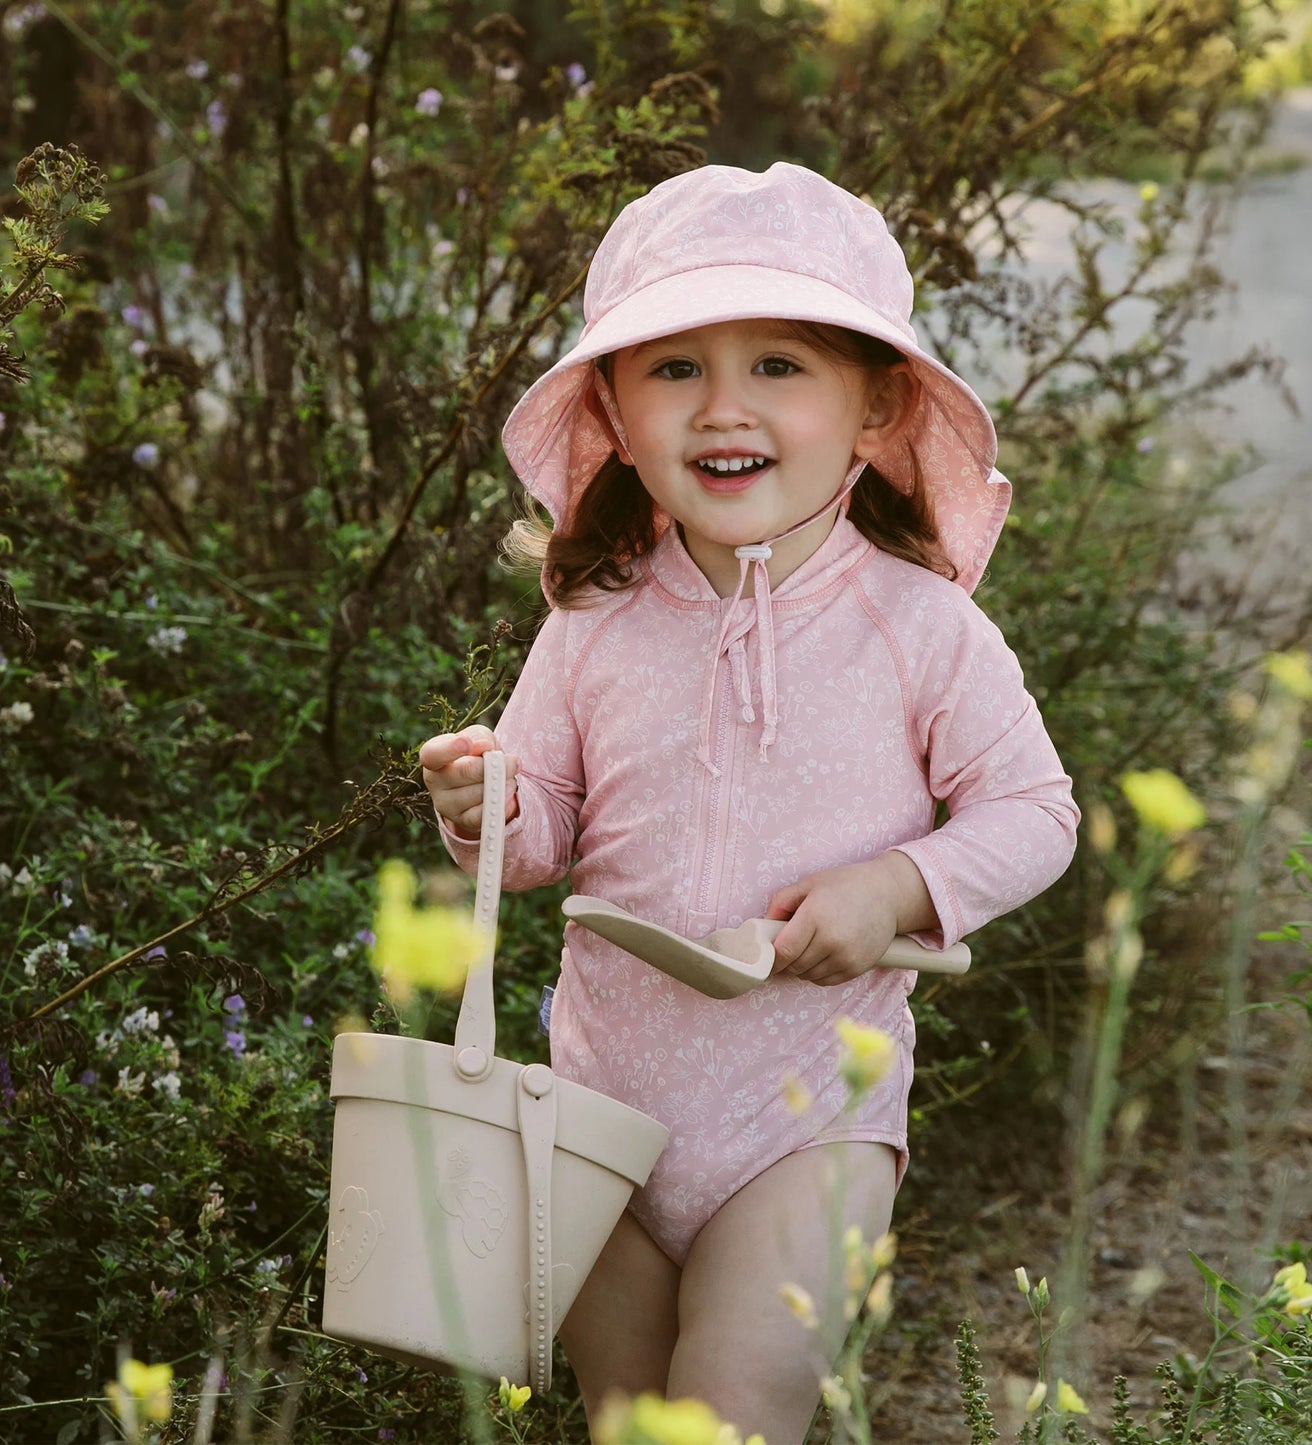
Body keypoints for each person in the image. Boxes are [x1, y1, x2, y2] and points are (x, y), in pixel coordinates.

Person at [420, 161, 1079, 1443]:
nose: (725, 407)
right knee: (626, 1415)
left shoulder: (918, 624)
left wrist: (896, 886)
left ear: (875, 402)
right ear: (612, 404)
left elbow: (1033, 808)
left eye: (778, 363)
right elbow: (549, 826)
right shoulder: (595, 616)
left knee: (732, 1411)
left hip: (806, 1109)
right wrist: (489, 807)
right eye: (673, 369)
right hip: (601, 1093)